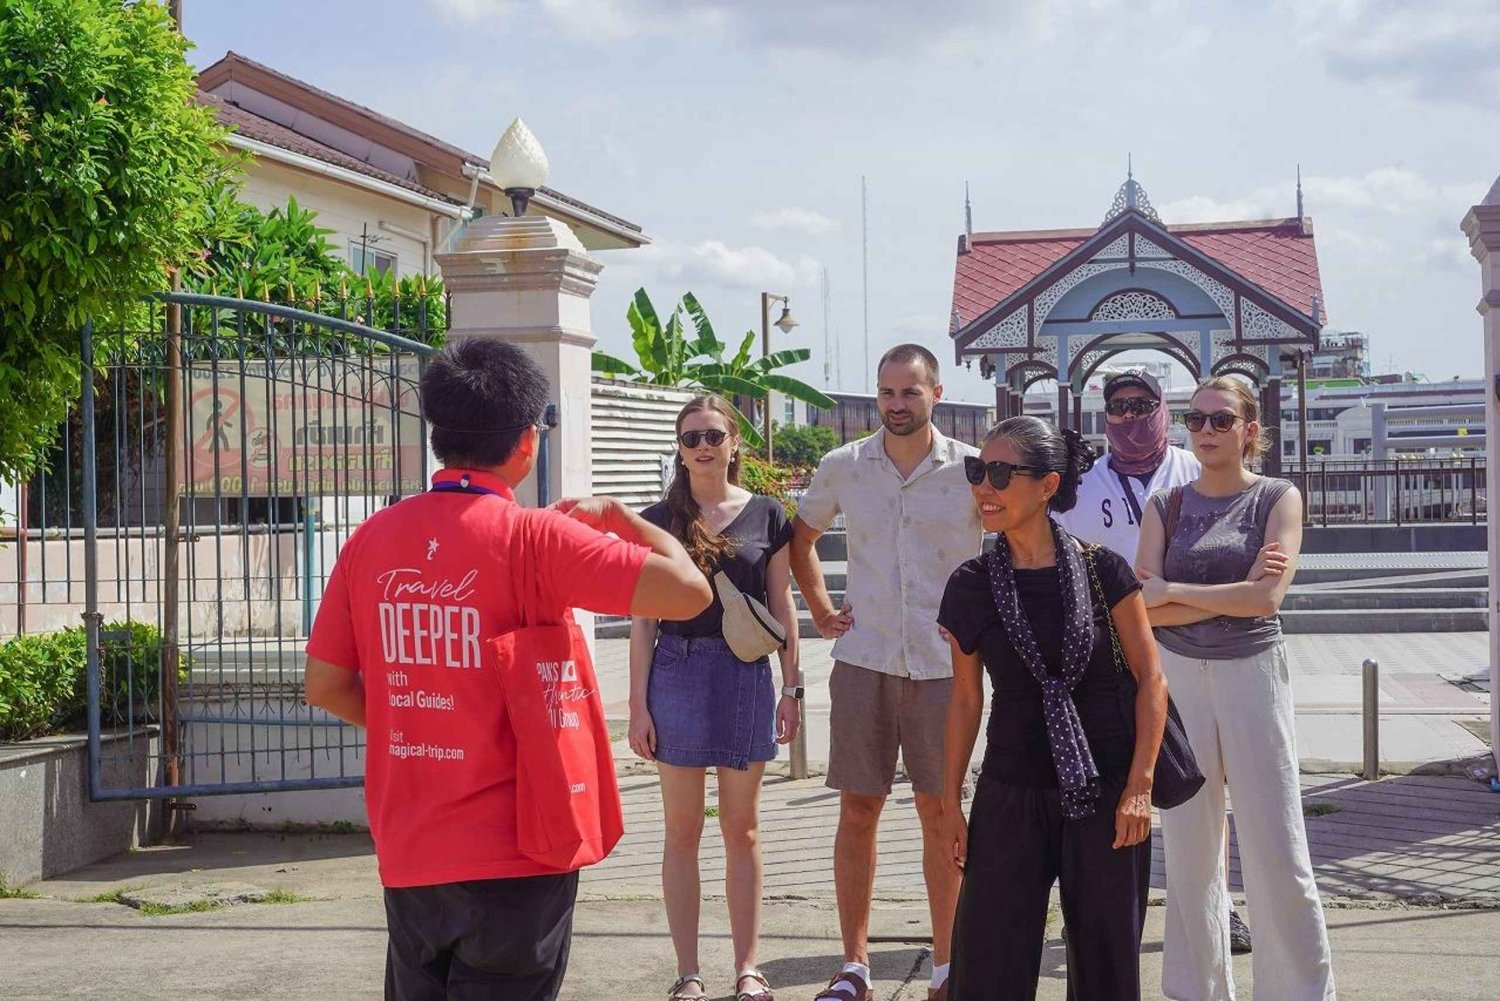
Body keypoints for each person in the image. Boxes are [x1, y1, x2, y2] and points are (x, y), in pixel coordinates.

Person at [303, 339, 712, 1001]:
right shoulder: (537, 538)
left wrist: (425, 715)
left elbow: (324, 683)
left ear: (439, 434)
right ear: (528, 440)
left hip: (409, 847)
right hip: (519, 849)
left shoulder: (371, 538)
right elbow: (690, 589)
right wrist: (624, 518)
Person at [936, 416, 1168, 1000]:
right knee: (988, 959)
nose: (983, 487)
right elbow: (966, 700)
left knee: (1105, 961)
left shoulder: (1104, 571)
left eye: (998, 473)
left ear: (1047, 485)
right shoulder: (970, 584)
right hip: (1010, 787)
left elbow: (1151, 679)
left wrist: (1140, 786)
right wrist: (949, 803)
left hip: (1106, 788)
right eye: (976, 471)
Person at [790, 344, 982, 1001]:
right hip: (864, 660)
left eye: (910, 392)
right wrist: (818, 606)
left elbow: (1015, 538)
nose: (897, 404)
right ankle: (855, 965)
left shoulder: (971, 471)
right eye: (887, 392)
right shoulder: (844, 466)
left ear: (937, 392)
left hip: (941, 668)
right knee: (858, 810)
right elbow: (802, 537)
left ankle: (949, 966)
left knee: (940, 813)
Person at [1136, 376, 1336, 1000]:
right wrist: (1226, 597)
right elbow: (1142, 608)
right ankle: (1197, 990)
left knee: (1276, 844)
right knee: (1191, 851)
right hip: (1179, 681)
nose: (1206, 432)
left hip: (1253, 677)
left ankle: (1301, 991)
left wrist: (1176, 591)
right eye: (1196, 420)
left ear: (1251, 430)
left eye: (1222, 420)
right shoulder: (1164, 504)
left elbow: (1267, 599)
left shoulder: (1277, 498)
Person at [1056, 370, 1251, 955]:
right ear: (1103, 415)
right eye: (1118, 407)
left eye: (1143, 404)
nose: (1131, 416)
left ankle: (1217, 908)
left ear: (1166, 410)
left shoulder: (1198, 470)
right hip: (1107, 659)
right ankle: (1098, 910)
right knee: (1115, 787)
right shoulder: (1079, 489)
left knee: (1202, 786)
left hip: (1195, 649)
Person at [629, 395, 802, 1001]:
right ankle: (687, 972)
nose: (702, 446)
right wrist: (638, 706)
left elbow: (783, 607)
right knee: (681, 830)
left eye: (713, 435)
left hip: (746, 674)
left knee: (742, 829)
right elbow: (644, 621)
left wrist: (793, 687)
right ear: (679, 449)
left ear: (735, 443)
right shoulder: (658, 519)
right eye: (690, 437)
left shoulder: (768, 515)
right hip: (674, 671)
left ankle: (748, 967)